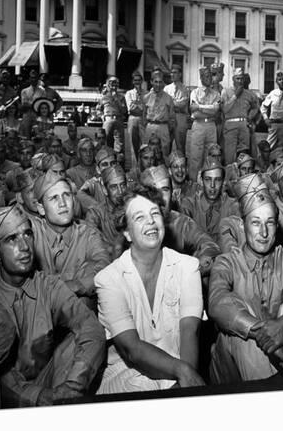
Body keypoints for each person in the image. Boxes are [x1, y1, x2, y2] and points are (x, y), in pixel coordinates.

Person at [0, 205, 106, 408]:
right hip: (3, 397)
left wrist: (73, 386)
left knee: (76, 337)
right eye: (11, 239)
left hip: (50, 382)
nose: (24, 246)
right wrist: (39, 396)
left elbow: (90, 328)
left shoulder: (48, 286)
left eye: (27, 234)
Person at [94, 186, 205, 394]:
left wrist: (185, 382)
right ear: (127, 232)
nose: (151, 222)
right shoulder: (108, 279)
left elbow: (190, 331)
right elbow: (131, 349)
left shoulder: (188, 267)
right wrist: (183, 371)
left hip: (177, 375)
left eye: (155, 213)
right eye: (139, 217)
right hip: (126, 376)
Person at [208, 175, 283, 383]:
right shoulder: (226, 262)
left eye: (270, 223)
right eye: (256, 223)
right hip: (231, 368)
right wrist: (265, 334)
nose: (264, 232)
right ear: (242, 225)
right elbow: (217, 301)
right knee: (239, 334)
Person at [32, 172, 110, 309]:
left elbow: (104, 267)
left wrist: (75, 285)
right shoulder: (31, 234)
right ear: (41, 209)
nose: (62, 204)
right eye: (54, 198)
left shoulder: (87, 234)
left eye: (66, 195)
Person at [140, 165, 221, 278]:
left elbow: (209, 246)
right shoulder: (133, 225)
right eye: (153, 192)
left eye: (165, 190)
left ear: (172, 193)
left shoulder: (181, 222)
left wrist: (194, 268)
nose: (161, 198)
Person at [180, 159, 239, 243]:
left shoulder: (231, 206)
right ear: (201, 181)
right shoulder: (190, 204)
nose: (212, 185)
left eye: (217, 180)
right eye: (208, 179)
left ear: (223, 182)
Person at [85, 164, 127, 261]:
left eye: (123, 185)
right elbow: (92, 245)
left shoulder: (134, 208)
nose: (120, 192)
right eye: (114, 187)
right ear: (105, 190)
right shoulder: (95, 213)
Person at [220, 67, 259, 165]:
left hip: (244, 125)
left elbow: (255, 107)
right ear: (233, 79)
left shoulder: (248, 94)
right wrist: (235, 96)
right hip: (230, 124)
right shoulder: (226, 91)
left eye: (242, 78)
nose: (240, 81)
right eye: (238, 78)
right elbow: (224, 109)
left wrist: (250, 117)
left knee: (243, 154)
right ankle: (229, 177)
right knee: (230, 154)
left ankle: (242, 176)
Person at [188, 66, 221, 181]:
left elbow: (216, 110)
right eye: (206, 76)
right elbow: (195, 112)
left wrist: (200, 107)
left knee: (211, 155)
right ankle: (193, 184)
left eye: (211, 76)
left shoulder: (216, 94)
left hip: (211, 127)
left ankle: (208, 181)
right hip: (198, 125)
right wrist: (209, 110)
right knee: (195, 157)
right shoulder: (194, 92)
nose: (209, 78)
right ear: (201, 77)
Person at [143, 69, 175, 160]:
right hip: (150, 126)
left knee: (164, 152)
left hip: (163, 127)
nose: (158, 84)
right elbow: (143, 116)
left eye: (160, 82)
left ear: (163, 83)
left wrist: (168, 131)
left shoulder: (168, 98)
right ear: (151, 82)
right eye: (156, 82)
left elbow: (172, 118)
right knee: (148, 151)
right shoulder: (146, 97)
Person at [164, 64, 191, 156]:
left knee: (181, 145)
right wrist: (174, 103)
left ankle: (182, 165)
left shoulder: (185, 89)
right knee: (166, 144)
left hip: (180, 117)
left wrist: (171, 102)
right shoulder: (166, 88)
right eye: (171, 73)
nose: (172, 75)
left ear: (180, 74)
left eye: (175, 73)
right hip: (168, 118)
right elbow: (164, 104)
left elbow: (182, 104)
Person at [98, 76, 127, 153]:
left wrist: (116, 99)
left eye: (115, 84)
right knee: (106, 143)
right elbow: (98, 109)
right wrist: (102, 117)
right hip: (108, 120)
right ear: (108, 85)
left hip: (118, 120)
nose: (113, 86)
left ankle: (119, 162)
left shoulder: (121, 97)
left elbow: (124, 110)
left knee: (119, 145)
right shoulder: (103, 97)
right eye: (111, 84)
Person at [125, 71, 146, 167]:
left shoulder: (146, 93)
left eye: (139, 80)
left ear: (141, 81)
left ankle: (143, 167)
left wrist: (137, 104)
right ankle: (134, 168)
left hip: (143, 119)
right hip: (133, 119)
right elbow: (131, 108)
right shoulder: (129, 93)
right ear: (133, 82)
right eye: (135, 80)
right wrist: (140, 105)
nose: (137, 82)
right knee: (133, 145)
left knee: (144, 144)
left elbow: (145, 108)